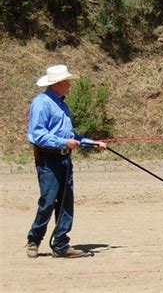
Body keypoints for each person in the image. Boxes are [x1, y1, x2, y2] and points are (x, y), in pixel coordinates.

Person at [26, 65, 107, 258]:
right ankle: (34, 239)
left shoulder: (63, 105)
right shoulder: (41, 103)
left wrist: (92, 143)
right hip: (48, 158)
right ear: (58, 83)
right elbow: (37, 134)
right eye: (67, 81)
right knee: (48, 201)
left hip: (64, 158)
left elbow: (72, 136)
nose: (70, 85)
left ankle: (61, 244)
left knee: (65, 201)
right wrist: (64, 142)